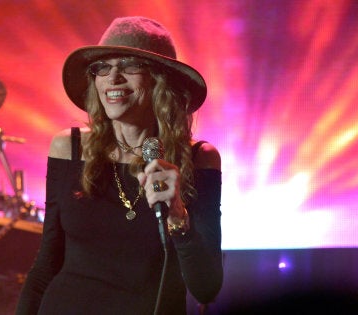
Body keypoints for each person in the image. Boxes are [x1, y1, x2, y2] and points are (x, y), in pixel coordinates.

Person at [16, 16, 223, 314]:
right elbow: (46, 264)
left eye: (129, 65)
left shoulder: (200, 159)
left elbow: (207, 287)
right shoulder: (69, 147)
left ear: (160, 80)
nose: (113, 78)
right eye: (103, 67)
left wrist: (178, 213)